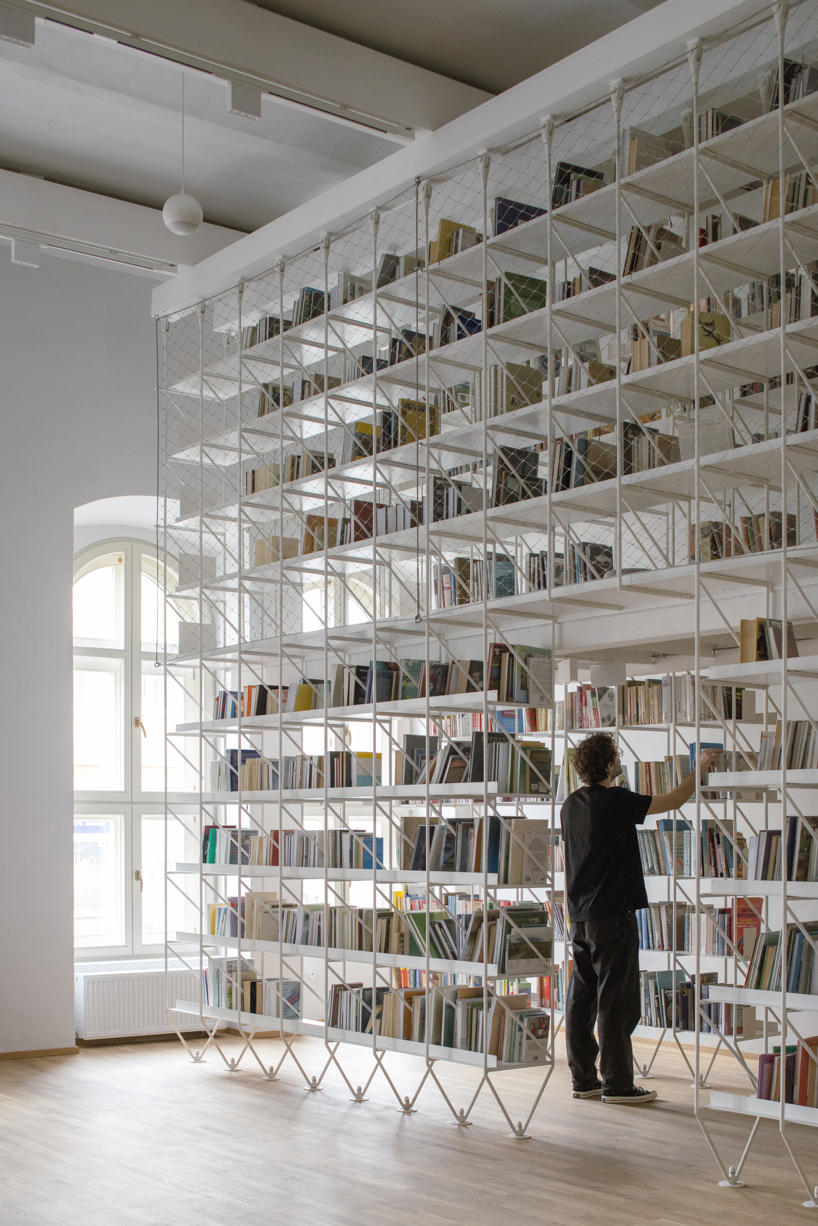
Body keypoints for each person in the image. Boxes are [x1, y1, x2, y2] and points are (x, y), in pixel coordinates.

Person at [561, 730, 720, 1105]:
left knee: (582, 999)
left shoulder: (570, 804)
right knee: (616, 1001)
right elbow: (674, 800)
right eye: (616, 755)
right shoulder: (615, 800)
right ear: (607, 764)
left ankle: (584, 1080)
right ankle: (617, 1084)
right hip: (611, 914)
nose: (620, 759)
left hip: (579, 915)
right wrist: (698, 771)